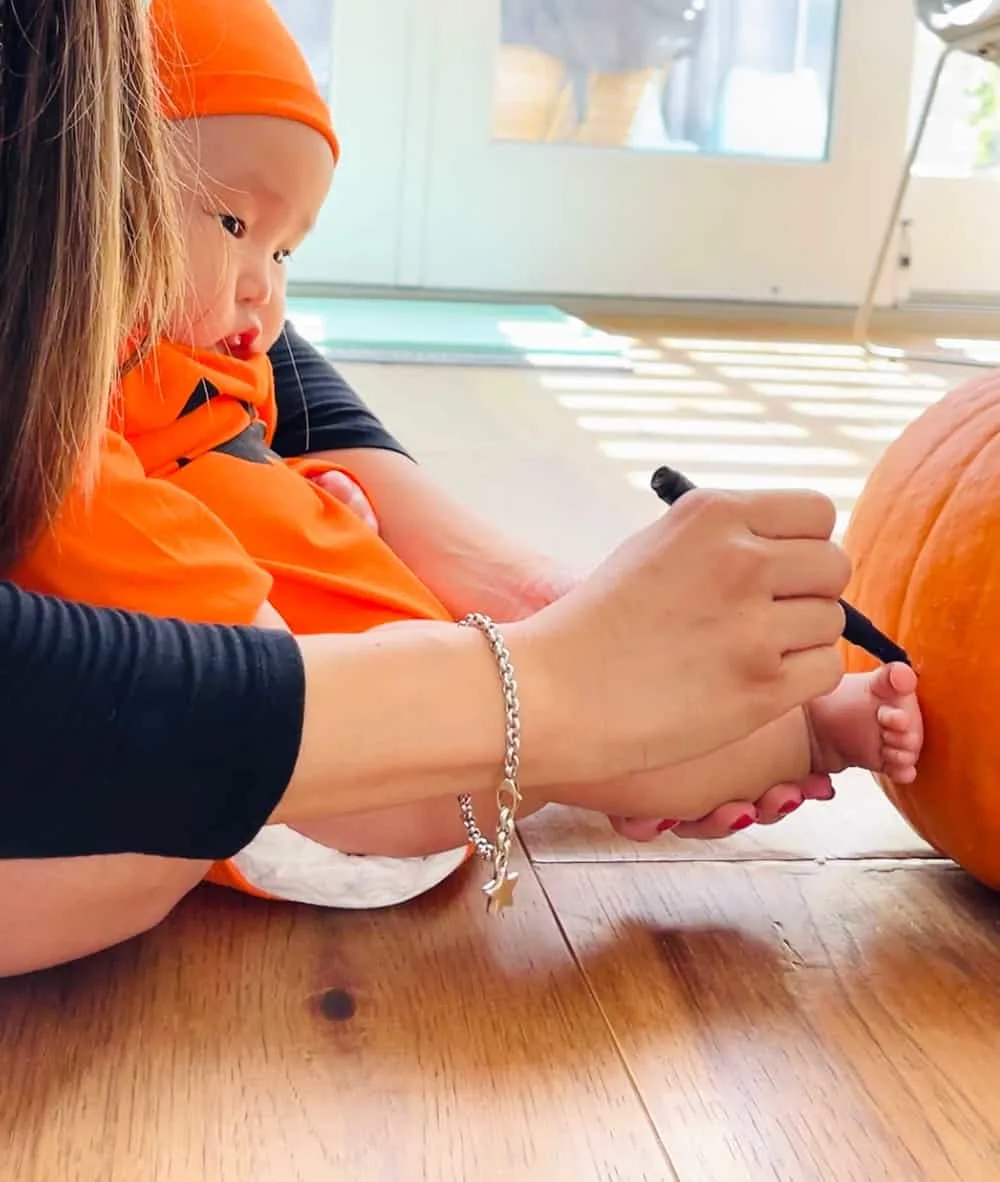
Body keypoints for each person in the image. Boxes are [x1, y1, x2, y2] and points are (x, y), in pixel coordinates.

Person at [0, 0, 914, 977]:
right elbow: (142, 559)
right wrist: (537, 680)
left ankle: (780, 722)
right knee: (561, 754)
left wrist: (352, 518)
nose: (266, 285)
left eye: (286, 252)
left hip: (350, 701)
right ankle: (813, 732)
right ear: (94, 192)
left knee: (564, 739)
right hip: (303, 775)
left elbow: (244, 467)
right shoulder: (70, 394)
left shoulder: (196, 360)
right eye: (233, 223)